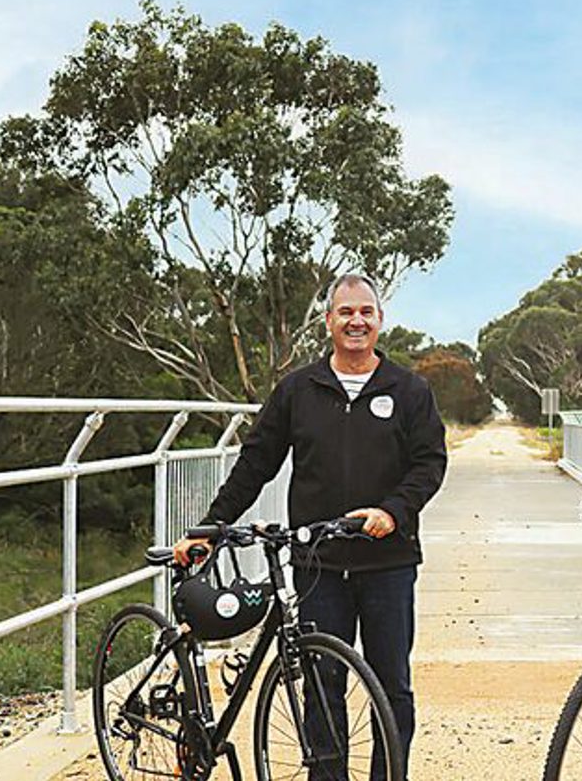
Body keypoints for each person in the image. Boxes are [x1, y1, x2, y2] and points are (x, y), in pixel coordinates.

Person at [176, 273, 446, 781]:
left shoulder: (410, 391)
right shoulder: (299, 390)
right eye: (346, 312)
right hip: (317, 564)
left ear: (380, 320)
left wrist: (393, 511)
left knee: (392, 686)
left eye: (366, 312)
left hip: (388, 563)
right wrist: (209, 527)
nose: (356, 321)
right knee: (321, 684)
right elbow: (256, 464)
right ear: (329, 322)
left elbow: (429, 464)